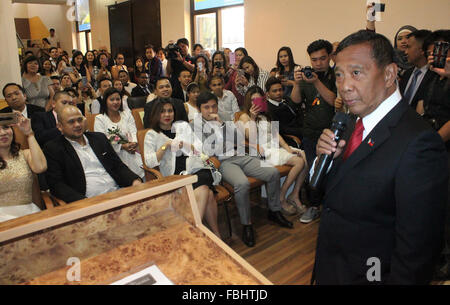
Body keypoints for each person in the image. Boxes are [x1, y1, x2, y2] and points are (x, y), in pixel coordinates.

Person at [312, 30, 447, 285]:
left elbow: (416, 255)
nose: (344, 86)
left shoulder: (419, 143)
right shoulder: (351, 124)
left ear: (388, 74)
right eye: (339, 75)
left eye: (356, 73)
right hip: (332, 267)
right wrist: (324, 162)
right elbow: (323, 197)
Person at [193, 91, 293, 247]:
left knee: (272, 172)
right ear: (199, 109)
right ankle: (247, 225)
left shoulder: (224, 120)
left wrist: (222, 125)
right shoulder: (195, 126)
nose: (211, 110)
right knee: (242, 184)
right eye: (206, 107)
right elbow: (209, 150)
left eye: (214, 106)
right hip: (223, 162)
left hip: (241, 156)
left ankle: (274, 211)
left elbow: (239, 139)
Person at [143, 99, 220, 237]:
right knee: (206, 192)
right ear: (156, 114)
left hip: (195, 167)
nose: (167, 114)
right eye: (163, 111)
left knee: (203, 180)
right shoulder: (151, 134)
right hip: (176, 175)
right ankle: (213, 234)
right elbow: (149, 162)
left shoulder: (183, 127)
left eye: (170, 111)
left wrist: (187, 145)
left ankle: (195, 232)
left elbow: (199, 149)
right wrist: (165, 146)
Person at [43, 106, 142, 203]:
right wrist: (84, 202)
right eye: (71, 122)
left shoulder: (99, 139)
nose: (77, 125)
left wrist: (134, 181)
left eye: (79, 120)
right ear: (60, 126)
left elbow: (118, 166)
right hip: (88, 201)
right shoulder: (54, 148)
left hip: (117, 192)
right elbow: (57, 185)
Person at [239, 86, 308, 216]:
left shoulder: (266, 114)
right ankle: (281, 196)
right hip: (264, 152)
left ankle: (294, 194)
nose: (256, 102)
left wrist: (288, 149)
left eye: (259, 99)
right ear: (249, 101)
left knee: (304, 155)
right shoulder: (245, 116)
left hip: (276, 148)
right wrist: (253, 119)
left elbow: (277, 135)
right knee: (299, 162)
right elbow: (250, 137)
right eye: (253, 100)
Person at [291, 39, 337, 224]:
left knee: (332, 172)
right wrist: (296, 83)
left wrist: (317, 82)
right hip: (310, 131)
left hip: (332, 132)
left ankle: (331, 207)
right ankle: (314, 206)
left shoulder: (337, 75)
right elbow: (295, 101)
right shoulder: (306, 76)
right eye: (314, 59)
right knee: (314, 171)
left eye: (322, 58)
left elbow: (334, 100)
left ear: (329, 57)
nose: (318, 63)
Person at [419, 29, 450, 279]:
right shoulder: (432, 76)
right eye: (431, 51)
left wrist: (434, 142)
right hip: (431, 142)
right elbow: (422, 107)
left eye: (440, 49)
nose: (435, 55)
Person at [0, 114, 47, 222]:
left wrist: (29, 134)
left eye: (6, 127)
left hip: (29, 214)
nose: (3, 133)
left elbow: (41, 167)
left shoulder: (25, 155)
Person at [94, 88, 143, 179]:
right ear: (105, 101)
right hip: (113, 155)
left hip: (132, 150)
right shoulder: (100, 119)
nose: (115, 102)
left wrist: (133, 143)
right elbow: (102, 141)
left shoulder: (127, 114)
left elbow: (133, 131)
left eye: (118, 99)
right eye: (112, 99)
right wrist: (122, 146)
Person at [399, 30, 435, 109]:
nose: (405, 52)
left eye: (408, 47)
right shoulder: (407, 74)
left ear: (422, 50)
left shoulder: (435, 76)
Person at [265, 77, 304, 148]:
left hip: (302, 126)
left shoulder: (285, 99)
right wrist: (303, 130)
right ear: (268, 94)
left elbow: (297, 111)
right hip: (289, 136)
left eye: (280, 90)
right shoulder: (269, 109)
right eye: (275, 91)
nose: (278, 93)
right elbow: (280, 129)